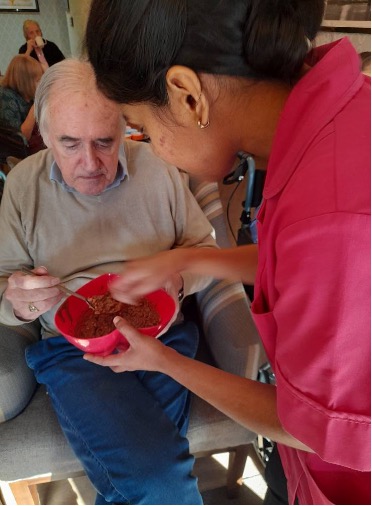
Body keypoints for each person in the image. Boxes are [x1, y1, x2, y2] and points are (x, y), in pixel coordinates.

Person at [83, 1, 371, 504]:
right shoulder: (332, 119)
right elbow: (298, 269)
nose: (149, 145)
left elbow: (307, 427)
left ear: (188, 96)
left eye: (144, 129)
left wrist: (163, 361)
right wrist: (188, 259)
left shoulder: (330, 213)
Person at [0, 58, 218, 504]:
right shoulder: (24, 184)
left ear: (125, 126)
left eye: (105, 141)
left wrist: (175, 282)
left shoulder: (159, 170)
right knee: (159, 475)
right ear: (41, 133)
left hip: (160, 336)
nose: (89, 164)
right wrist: (17, 300)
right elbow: (5, 287)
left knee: (149, 477)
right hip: (71, 349)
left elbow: (208, 254)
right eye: (69, 144)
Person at [0, 54, 45, 155]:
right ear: (25, 81)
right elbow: (21, 138)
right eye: (38, 80)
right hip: (18, 152)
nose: (41, 83)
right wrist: (35, 106)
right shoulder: (6, 97)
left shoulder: (28, 92)